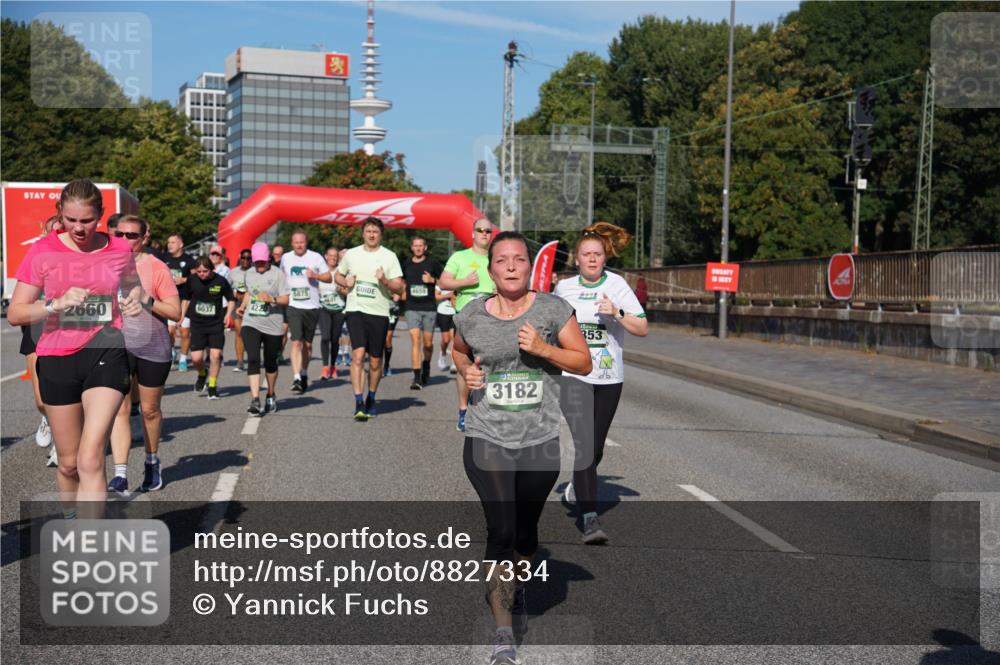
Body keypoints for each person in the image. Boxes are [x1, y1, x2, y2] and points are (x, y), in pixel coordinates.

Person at [452, 231, 591, 665]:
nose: (511, 265)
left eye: (519, 259)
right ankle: (503, 633)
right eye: (502, 260)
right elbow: (458, 352)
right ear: (490, 269)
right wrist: (469, 375)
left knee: (526, 535)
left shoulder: (552, 309)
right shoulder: (471, 314)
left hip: (539, 438)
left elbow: (583, 361)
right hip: (486, 434)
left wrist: (545, 348)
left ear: (529, 267)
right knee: (502, 531)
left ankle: (519, 579)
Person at [8, 179, 144, 516]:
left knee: (90, 457)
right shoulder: (43, 251)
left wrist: (136, 300)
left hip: (106, 350)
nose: (79, 228)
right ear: (59, 215)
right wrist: (55, 305)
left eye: (87, 220)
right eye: (71, 220)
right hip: (56, 356)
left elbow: (132, 285)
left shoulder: (119, 249)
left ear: (100, 214)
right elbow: (16, 312)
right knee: (68, 464)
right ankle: (71, 520)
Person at [554, 223, 649, 544]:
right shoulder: (564, 289)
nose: (592, 259)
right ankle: (590, 519)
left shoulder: (618, 285)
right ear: (576, 259)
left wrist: (617, 312)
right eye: (586, 255)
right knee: (584, 447)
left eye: (597, 254)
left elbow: (642, 328)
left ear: (604, 257)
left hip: (609, 377)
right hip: (574, 376)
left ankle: (578, 485)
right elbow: (551, 327)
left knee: (594, 448)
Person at [107, 215, 182, 495]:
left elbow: (175, 312)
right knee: (120, 409)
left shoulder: (156, 267)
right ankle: (121, 474)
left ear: (144, 238)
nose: (126, 240)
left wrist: (146, 300)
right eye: (120, 234)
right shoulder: (105, 265)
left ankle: (152, 462)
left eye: (132, 236)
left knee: (149, 411)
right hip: (117, 347)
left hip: (153, 346)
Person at [335, 217, 404, 420]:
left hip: (379, 312)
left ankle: (371, 397)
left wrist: (384, 280)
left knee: (375, 361)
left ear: (380, 234)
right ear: (363, 233)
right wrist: (345, 280)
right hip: (355, 310)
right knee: (358, 355)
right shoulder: (352, 254)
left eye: (375, 231)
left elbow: (399, 286)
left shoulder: (389, 256)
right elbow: (337, 276)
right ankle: (358, 401)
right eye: (368, 231)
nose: (372, 235)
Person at [439, 219, 497, 431]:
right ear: (473, 233)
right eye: (480, 230)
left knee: (491, 365)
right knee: (465, 364)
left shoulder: (497, 257)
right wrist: (464, 282)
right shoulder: (460, 257)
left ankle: (488, 409)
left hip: (493, 317)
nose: (484, 233)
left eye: (488, 231)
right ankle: (464, 410)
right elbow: (443, 282)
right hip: (465, 318)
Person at [19, 215, 63, 468]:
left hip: (67, 329)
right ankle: (47, 419)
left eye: (60, 231)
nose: (56, 235)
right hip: (36, 327)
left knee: (65, 394)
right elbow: (21, 301)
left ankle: (61, 444)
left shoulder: (77, 261)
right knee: (40, 399)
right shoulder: (36, 258)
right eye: (51, 231)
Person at [238, 242, 290, 415]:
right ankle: (255, 399)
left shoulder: (278, 274)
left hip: (273, 325)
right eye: (256, 262)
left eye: (262, 262)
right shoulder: (249, 273)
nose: (259, 265)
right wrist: (243, 306)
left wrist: (271, 299)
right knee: (253, 358)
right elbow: (248, 293)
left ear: (268, 259)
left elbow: (285, 300)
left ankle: (270, 393)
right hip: (251, 322)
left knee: (270, 362)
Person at [279, 230, 332, 393]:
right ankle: (296, 377)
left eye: (301, 242)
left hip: (312, 306)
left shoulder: (315, 257)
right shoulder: (286, 258)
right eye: (296, 242)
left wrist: (315, 275)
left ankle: (303, 372)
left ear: (306, 243)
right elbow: (281, 277)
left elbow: (328, 277)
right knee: (296, 341)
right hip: (294, 305)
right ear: (292, 243)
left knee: (307, 345)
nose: (299, 245)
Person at [187, 256, 235, 399]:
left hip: (215, 324)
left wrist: (228, 315)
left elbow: (231, 299)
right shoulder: (192, 279)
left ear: (211, 269)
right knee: (196, 358)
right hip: (197, 323)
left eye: (205, 271)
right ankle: (202, 374)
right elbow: (186, 299)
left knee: (215, 356)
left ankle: (212, 385)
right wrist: (182, 315)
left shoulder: (220, 281)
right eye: (199, 271)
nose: (202, 274)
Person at [401, 236, 443, 389]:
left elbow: (445, 281)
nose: (418, 248)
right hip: (412, 307)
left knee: (427, 343)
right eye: (415, 245)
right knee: (415, 341)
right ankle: (416, 377)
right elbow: (401, 281)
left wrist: (432, 280)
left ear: (425, 248)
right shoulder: (405, 263)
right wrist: (398, 291)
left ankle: (426, 365)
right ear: (412, 247)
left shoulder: (432, 263)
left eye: (421, 246)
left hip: (429, 307)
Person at [163, 233, 196, 371]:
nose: (169, 245)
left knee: (184, 332)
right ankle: (171, 353)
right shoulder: (164, 259)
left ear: (181, 244)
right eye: (168, 242)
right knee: (170, 331)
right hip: (168, 299)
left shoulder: (189, 260)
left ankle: (183, 358)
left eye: (173, 242)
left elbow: (196, 277)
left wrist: (185, 280)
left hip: (185, 300)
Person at [317, 247, 348, 380]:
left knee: (335, 339)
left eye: (335, 256)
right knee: (325, 337)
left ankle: (333, 366)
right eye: (330, 256)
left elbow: (348, 292)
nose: (333, 258)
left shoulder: (342, 273)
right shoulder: (320, 272)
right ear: (325, 256)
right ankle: (325, 367)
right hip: (323, 308)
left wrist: (341, 290)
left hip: (339, 310)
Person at [228, 249, 253, 372]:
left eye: (248, 258)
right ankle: (240, 361)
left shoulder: (255, 272)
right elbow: (226, 288)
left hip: (252, 305)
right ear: (240, 258)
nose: (245, 260)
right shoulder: (233, 272)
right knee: (239, 332)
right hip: (238, 304)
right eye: (243, 258)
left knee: (251, 333)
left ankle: (253, 359)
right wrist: (234, 293)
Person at [435, 285, 458, 373]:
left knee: (454, 338)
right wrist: (447, 295)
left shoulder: (458, 283)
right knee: (445, 340)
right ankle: (443, 354)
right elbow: (435, 297)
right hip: (442, 312)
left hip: (454, 312)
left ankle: (454, 363)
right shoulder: (440, 284)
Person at [383, 293, 401, 376]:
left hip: (392, 311)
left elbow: (401, 288)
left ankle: (386, 365)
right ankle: (376, 364)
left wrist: (398, 294)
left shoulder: (395, 279)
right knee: (377, 339)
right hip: (378, 308)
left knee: (387, 339)